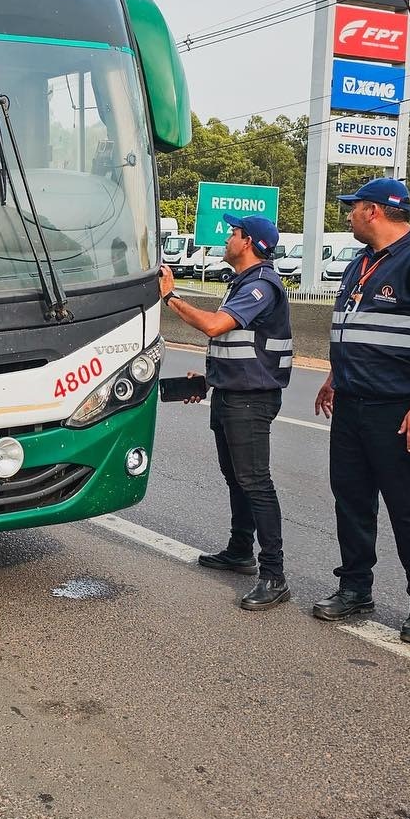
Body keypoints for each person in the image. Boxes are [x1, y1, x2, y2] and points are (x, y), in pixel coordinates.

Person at [312, 177, 410, 644]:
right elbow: (355, 325)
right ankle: (355, 587)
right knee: (352, 501)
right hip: (353, 404)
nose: (349, 214)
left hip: (400, 409)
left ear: (373, 211)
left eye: (353, 207)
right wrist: (336, 377)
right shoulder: (361, 262)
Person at [160, 215, 293, 610]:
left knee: (255, 482)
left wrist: (171, 297)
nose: (227, 237)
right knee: (236, 478)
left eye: (233, 233)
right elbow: (243, 347)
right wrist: (207, 379)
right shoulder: (242, 284)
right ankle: (240, 551)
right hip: (231, 393)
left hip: (250, 401)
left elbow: (216, 327)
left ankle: (274, 575)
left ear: (248, 242)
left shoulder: (261, 285)